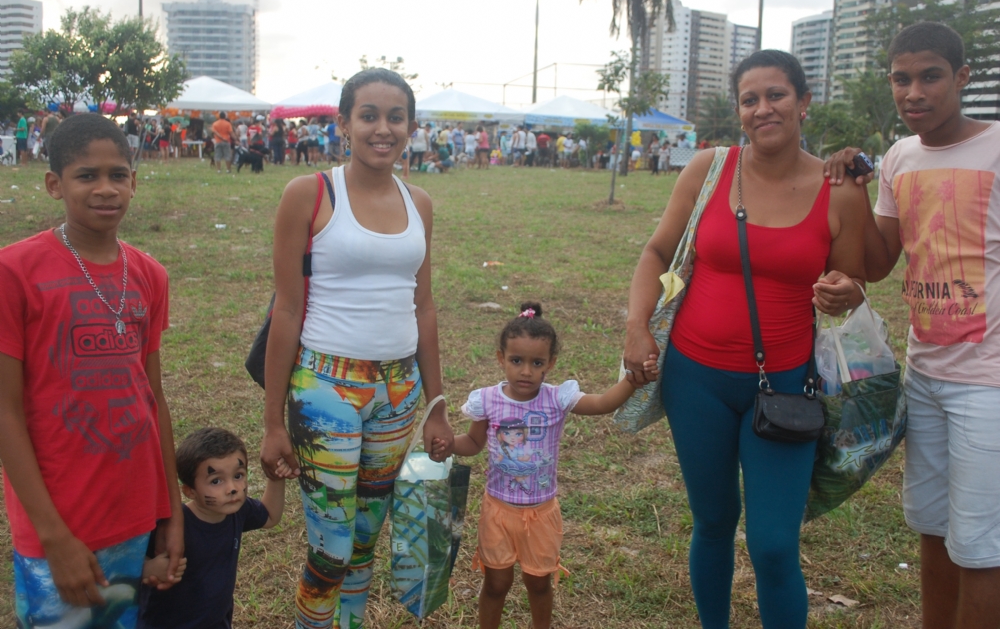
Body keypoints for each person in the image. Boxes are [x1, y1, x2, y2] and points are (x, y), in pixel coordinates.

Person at [623, 50, 868, 629]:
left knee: (774, 544)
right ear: (739, 110)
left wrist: (845, 290)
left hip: (784, 387)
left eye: (777, 95)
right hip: (694, 379)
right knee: (712, 522)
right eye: (750, 99)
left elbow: (855, 279)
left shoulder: (840, 192)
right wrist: (637, 327)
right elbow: (658, 251)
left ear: (804, 103)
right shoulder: (709, 170)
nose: (764, 109)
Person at [260, 68, 454, 629]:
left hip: (399, 392)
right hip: (325, 388)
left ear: (411, 127)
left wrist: (437, 404)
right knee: (331, 551)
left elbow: (424, 307)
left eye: (396, 117)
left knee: (367, 540)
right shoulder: (310, 194)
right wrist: (273, 422)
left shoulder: (420, 203)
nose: (382, 129)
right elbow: (287, 311)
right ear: (343, 123)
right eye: (368, 115)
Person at [824, 22, 1000, 629]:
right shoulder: (900, 156)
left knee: (981, 545)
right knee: (931, 524)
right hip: (924, 370)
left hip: (991, 383)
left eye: (930, 77)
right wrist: (849, 186)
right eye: (902, 79)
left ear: (962, 77)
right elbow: (875, 264)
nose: (914, 92)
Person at [0, 114, 185, 628]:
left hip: (133, 511)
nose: (106, 189)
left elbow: (153, 398)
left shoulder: (149, 274)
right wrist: (53, 536)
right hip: (60, 521)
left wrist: (169, 511)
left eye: (118, 174)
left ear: (134, 180)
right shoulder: (14, 272)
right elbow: (5, 411)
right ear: (54, 184)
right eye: (87, 176)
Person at [454, 302, 657, 629]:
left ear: (551, 363)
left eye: (537, 363)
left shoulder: (556, 399)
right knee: (496, 584)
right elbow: (473, 443)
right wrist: (448, 444)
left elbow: (603, 403)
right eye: (516, 361)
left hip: (542, 513)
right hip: (498, 512)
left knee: (538, 584)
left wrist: (633, 381)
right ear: (500, 358)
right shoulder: (488, 400)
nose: (525, 371)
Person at [137, 428, 285, 629]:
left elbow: (270, 516)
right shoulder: (172, 526)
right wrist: (148, 569)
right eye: (216, 481)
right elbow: (123, 564)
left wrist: (276, 476)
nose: (232, 488)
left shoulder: (237, 511)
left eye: (239, 475)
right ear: (190, 491)